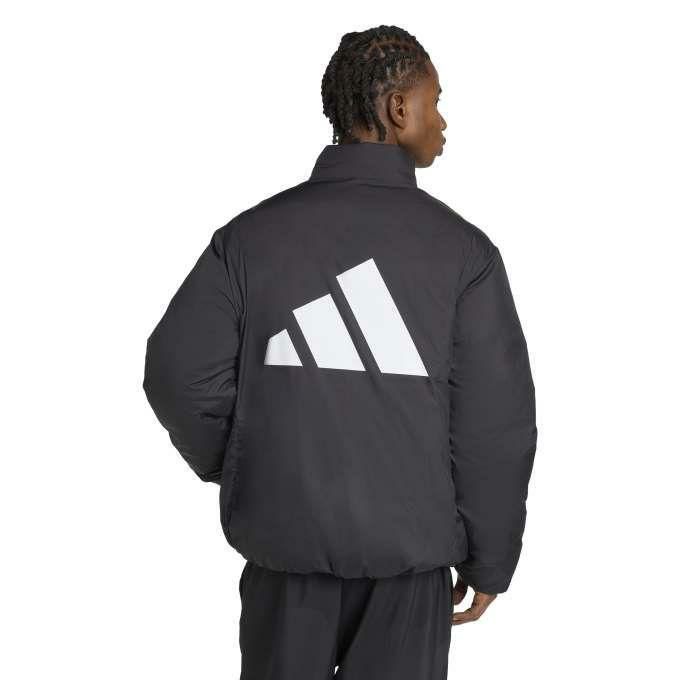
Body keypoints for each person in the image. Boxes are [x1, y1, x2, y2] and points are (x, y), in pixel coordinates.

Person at [143, 24, 537, 680]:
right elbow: (492, 426)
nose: (443, 120)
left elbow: (177, 375)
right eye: (436, 101)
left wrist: (247, 466)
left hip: (283, 560)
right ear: (399, 109)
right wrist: (490, 557)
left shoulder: (249, 239)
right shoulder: (464, 253)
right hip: (411, 572)